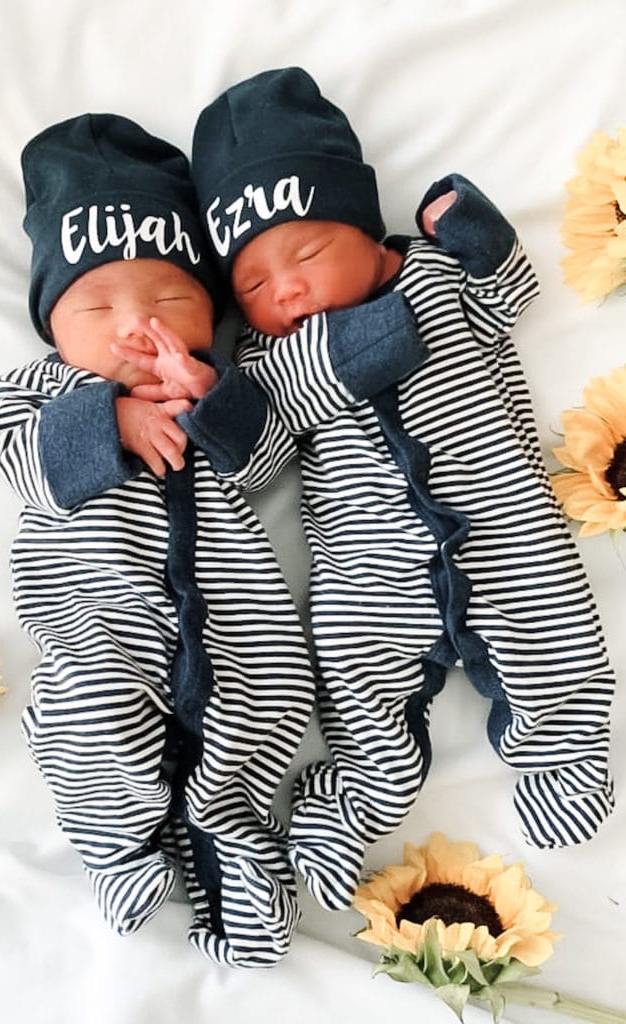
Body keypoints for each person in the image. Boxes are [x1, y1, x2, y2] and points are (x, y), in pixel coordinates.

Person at [181, 67, 617, 912]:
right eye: (254, 288)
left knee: (553, 642)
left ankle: (564, 751)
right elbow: (260, 459)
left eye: (305, 255)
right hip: (367, 576)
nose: (288, 290)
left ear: (370, 235)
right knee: (358, 698)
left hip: (506, 532)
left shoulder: (429, 282)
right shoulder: (264, 363)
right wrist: (216, 410)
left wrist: (472, 228)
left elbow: (506, 293)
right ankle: (347, 805)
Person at [0, 112, 318, 967]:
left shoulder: (224, 384)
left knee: (263, 723)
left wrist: (211, 400)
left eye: (171, 299)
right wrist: (110, 418)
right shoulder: (37, 390)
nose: (135, 325)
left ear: (211, 312)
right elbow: (21, 461)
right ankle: (117, 848)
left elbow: (266, 463)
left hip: (239, 631)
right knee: (93, 736)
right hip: (99, 634)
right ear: (51, 326)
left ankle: (234, 863)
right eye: (95, 304)